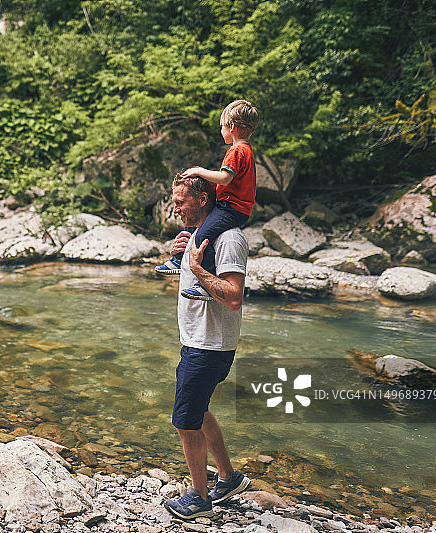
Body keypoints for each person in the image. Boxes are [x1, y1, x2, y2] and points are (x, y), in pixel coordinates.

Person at [163, 174, 251, 521]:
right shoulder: (201, 236)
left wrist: (197, 267)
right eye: (174, 201)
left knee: (185, 421)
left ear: (202, 199)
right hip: (198, 342)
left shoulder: (229, 238)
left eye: (181, 202)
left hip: (209, 346)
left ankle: (199, 499)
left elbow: (233, 297)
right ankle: (228, 478)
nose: (176, 208)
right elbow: (195, 280)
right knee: (199, 411)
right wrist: (180, 258)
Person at [155, 99, 258, 302]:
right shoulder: (247, 151)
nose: (221, 131)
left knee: (203, 236)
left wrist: (199, 171)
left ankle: (203, 284)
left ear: (232, 127)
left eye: (222, 126)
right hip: (234, 207)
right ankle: (178, 259)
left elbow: (225, 178)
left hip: (231, 207)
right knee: (197, 230)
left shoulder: (237, 151)